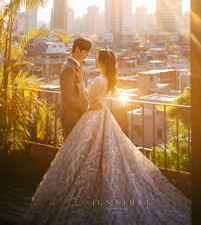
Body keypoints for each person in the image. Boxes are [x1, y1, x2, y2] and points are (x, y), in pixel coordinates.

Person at [24, 49, 191, 224]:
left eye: (96, 58)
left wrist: (80, 83)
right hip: (102, 114)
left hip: (94, 115)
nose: (94, 61)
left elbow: (88, 98)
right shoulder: (108, 79)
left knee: (86, 152)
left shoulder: (99, 79)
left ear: (102, 61)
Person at [59, 37, 92, 139]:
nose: (87, 55)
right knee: (70, 152)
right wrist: (86, 106)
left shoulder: (73, 66)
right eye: (86, 52)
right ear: (77, 50)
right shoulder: (69, 68)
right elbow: (68, 98)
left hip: (76, 118)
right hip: (71, 118)